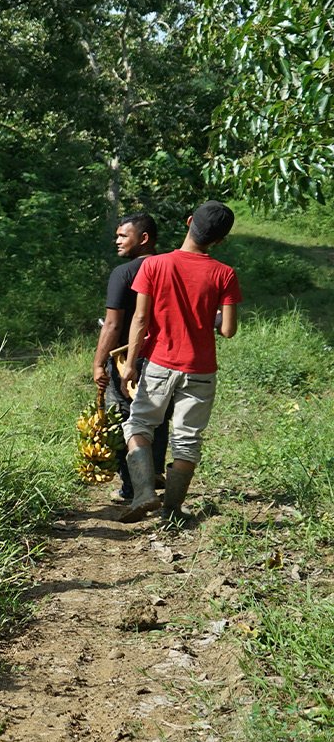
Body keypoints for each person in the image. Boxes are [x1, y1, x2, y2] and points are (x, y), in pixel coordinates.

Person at [118, 200, 241, 523]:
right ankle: (172, 510)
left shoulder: (155, 266)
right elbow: (227, 330)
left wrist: (130, 363)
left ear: (189, 222)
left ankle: (144, 492)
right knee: (187, 439)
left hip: (160, 363)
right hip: (200, 369)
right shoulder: (224, 274)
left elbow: (141, 319)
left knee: (139, 424)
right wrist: (208, 317)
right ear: (220, 240)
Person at [92, 213, 170, 503]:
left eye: (123, 235)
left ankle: (131, 486)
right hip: (165, 358)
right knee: (158, 417)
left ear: (144, 238)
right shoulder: (170, 267)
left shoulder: (123, 274)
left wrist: (99, 362)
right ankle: (155, 472)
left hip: (129, 359)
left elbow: (113, 325)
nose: (117, 240)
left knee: (125, 418)